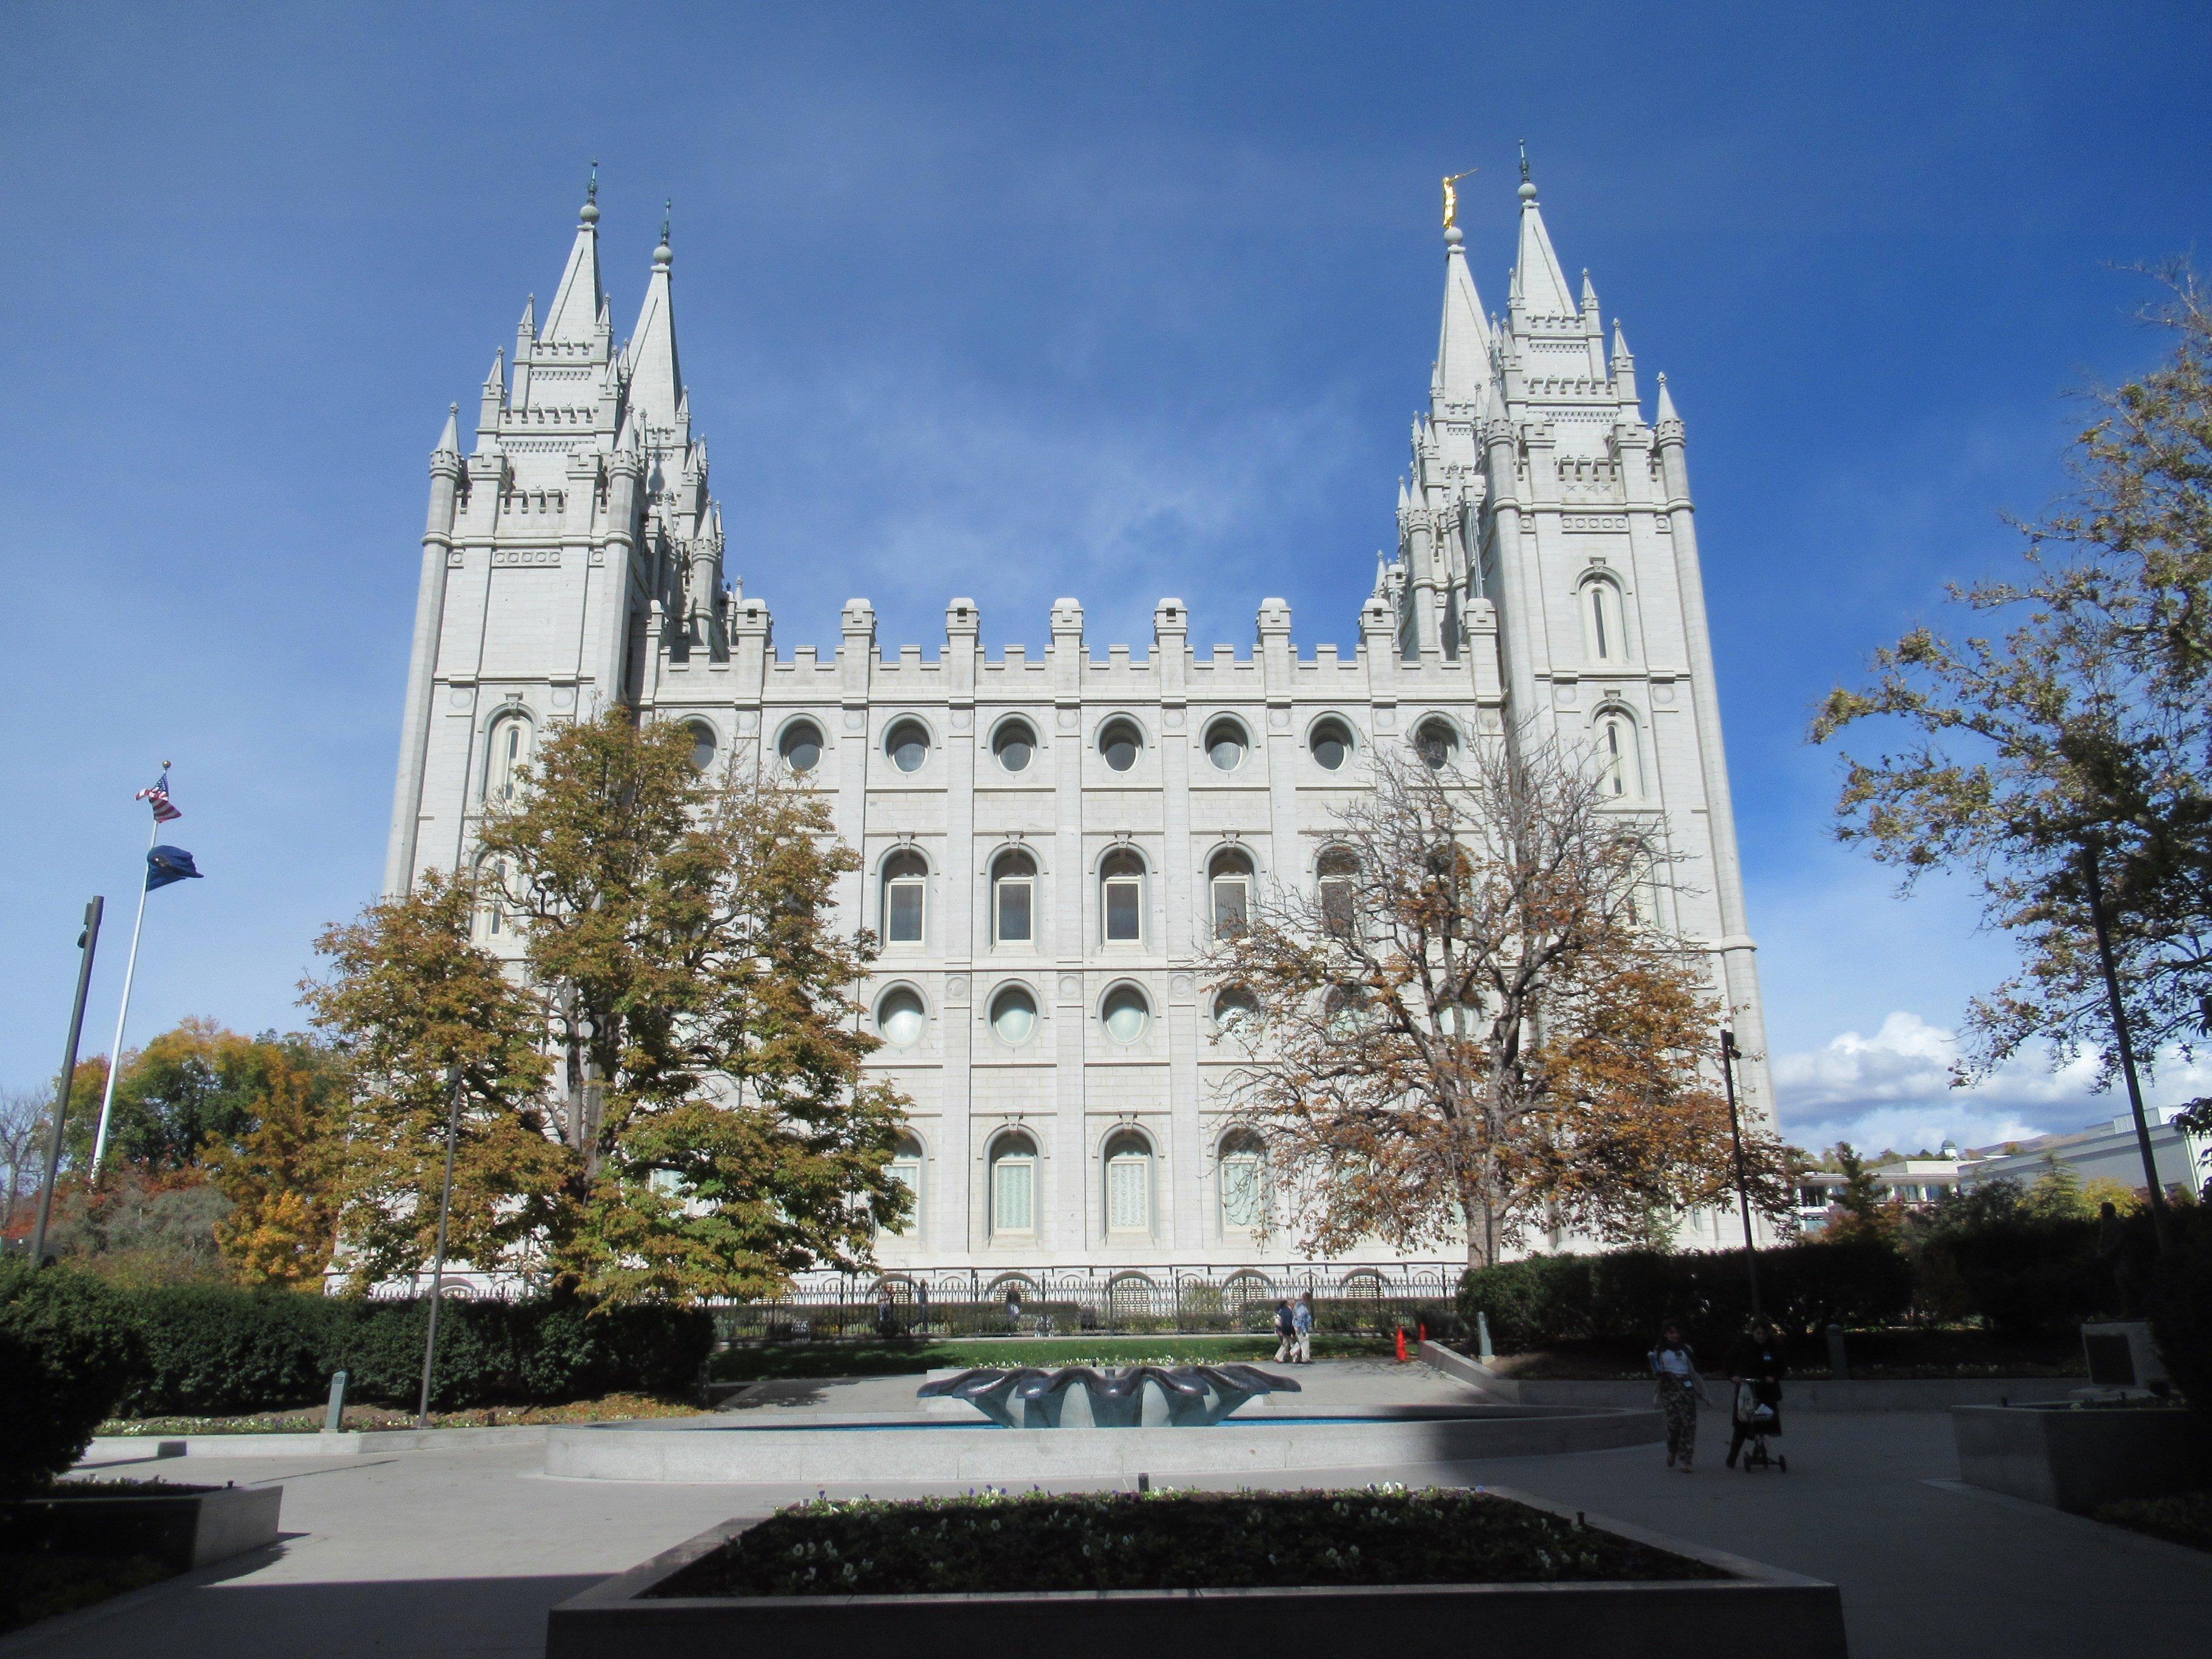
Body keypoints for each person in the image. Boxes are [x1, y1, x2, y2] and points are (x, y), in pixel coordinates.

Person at [1723, 1320, 1786, 1468]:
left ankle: (1760, 1447)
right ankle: (1734, 1452)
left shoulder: (1773, 1346)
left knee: (1765, 1418)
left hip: (1766, 1387)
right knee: (1743, 1421)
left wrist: (1774, 1376)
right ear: (1752, 1333)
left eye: (1764, 1334)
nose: (1761, 1337)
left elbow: (1782, 1365)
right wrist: (1733, 1376)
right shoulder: (1744, 1344)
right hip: (1747, 1387)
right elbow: (1729, 1360)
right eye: (1757, 1333)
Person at [1648, 1321, 1703, 1472]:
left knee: (1688, 1425)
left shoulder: (1687, 1349)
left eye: (1677, 1332)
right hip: (1669, 1389)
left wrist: (1699, 1388)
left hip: (1686, 1388)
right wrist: (1660, 1373)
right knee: (1673, 1426)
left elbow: (1695, 1369)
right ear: (1666, 1334)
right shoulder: (1660, 1351)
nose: (1675, 1335)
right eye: (1671, 1332)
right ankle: (1672, 1450)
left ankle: (1686, 1461)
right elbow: (1656, 1370)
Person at [1292, 1290, 1315, 1364]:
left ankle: (1293, 1354)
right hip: (1301, 1328)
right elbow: (1300, 1317)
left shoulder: (1299, 1305)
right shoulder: (1301, 1306)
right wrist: (1299, 1327)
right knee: (1305, 1340)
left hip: (1301, 1327)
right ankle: (1305, 1358)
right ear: (1307, 1298)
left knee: (1301, 1341)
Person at [1273, 1298, 1296, 1362]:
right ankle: (1294, 1357)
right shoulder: (1289, 1312)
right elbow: (1288, 1323)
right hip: (1286, 1330)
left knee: (1285, 1344)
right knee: (1292, 1344)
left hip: (1282, 1329)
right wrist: (1292, 1332)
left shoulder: (1284, 1310)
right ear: (1292, 1304)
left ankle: (1279, 1357)